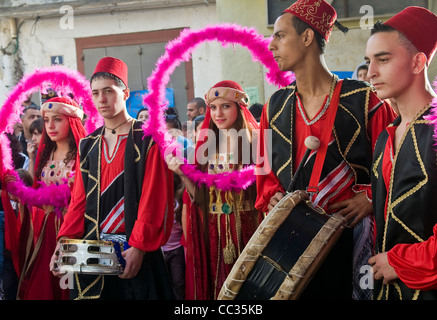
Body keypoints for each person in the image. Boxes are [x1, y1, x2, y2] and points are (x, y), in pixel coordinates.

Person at [255, 0, 396, 300]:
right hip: (294, 241)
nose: (271, 45)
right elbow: (264, 169)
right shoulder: (275, 107)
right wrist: (271, 196)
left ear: (307, 38)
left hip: (352, 238)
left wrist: (371, 198)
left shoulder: (364, 100)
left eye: (280, 35)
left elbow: (395, 164)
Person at [50, 56, 175, 300]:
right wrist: (63, 243)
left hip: (135, 252)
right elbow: (78, 202)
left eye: (108, 91)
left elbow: (154, 199)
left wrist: (139, 247)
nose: (101, 99)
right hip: (92, 254)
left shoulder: (148, 139)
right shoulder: (88, 144)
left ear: (125, 92)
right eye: (95, 93)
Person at [366, 7, 437, 300]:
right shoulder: (386, 136)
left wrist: (401, 261)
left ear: (418, 61)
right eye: (368, 61)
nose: (370, 72)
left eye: (383, 60)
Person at [167, 80, 261, 300]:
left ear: (239, 107)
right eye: (214, 107)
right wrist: (182, 173)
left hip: (250, 226)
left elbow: (266, 187)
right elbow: (199, 199)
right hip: (213, 229)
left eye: (226, 106)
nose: (218, 113)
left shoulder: (255, 140)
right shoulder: (207, 147)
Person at [8, 96, 87, 300]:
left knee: (66, 286)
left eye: (57, 119)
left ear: (72, 121)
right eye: (47, 119)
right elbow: (36, 192)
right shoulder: (46, 154)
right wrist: (22, 196)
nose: (50, 126)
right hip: (43, 230)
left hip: (71, 230)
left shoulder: (84, 155)